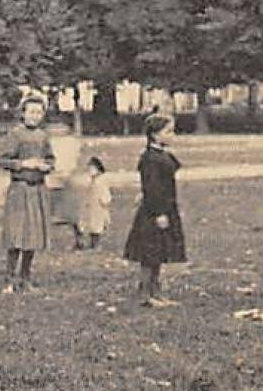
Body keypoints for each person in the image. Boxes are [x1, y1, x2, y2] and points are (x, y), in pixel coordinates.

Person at [124, 112, 186, 306]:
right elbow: (152, 188)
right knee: (149, 253)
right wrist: (159, 212)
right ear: (155, 134)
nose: (172, 135)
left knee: (159, 252)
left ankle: (155, 291)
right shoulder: (150, 158)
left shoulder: (161, 155)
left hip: (165, 208)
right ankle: (145, 293)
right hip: (154, 212)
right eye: (168, 131)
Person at [0, 90, 55, 293]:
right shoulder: (15, 134)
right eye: (31, 112)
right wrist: (23, 164)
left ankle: (26, 277)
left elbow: (51, 158)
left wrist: (47, 166)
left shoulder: (43, 135)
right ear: (22, 113)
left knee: (33, 236)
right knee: (16, 235)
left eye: (39, 113)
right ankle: (9, 279)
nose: (35, 116)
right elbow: (3, 160)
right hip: (19, 190)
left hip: (37, 190)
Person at [75, 155, 113, 250]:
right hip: (92, 208)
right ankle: (89, 243)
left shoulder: (101, 182)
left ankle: (96, 244)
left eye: (92, 168)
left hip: (99, 208)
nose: (89, 170)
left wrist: (104, 202)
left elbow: (106, 196)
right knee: (91, 225)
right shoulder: (92, 182)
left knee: (97, 226)